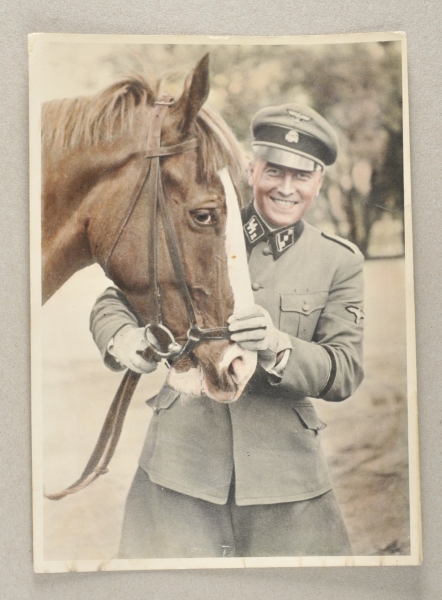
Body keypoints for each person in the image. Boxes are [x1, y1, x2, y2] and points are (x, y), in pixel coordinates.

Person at [90, 103, 364, 558]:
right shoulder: (198, 222)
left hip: (286, 483)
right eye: (275, 170)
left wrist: (279, 347)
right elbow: (115, 299)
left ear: (319, 181)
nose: (287, 188)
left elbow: (344, 370)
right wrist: (123, 338)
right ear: (251, 169)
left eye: (302, 176)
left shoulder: (339, 260)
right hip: (179, 469)